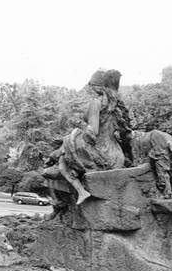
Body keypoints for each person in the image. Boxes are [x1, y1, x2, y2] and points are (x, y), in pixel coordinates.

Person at [47, 69, 133, 205]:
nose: (91, 89)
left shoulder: (96, 103)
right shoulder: (115, 106)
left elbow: (93, 132)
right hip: (116, 154)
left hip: (101, 153)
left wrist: (80, 132)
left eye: (92, 87)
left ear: (97, 87)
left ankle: (81, 191)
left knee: (65, 155)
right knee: (70, 142)